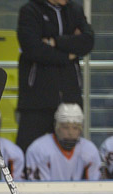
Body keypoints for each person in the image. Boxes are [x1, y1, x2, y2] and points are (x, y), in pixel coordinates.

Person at [15, 0, 94, 152]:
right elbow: (33, 49)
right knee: (27, 151)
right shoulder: (30, 11)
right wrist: (68, 55)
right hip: (36, 102)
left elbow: (87, 42)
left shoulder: (74, 10)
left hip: (70, 99)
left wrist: (54, 41)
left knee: (71, 153)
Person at [24, 103, 100, 181]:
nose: (70, 133)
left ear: (81, 130)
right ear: (57, 128)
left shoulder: (90, 150)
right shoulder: (38, 149)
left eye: (75, 128)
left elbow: (93, 187)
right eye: (65, 127)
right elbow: (40, 189)